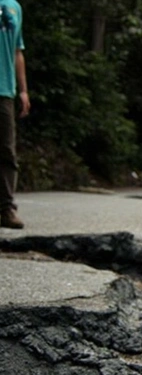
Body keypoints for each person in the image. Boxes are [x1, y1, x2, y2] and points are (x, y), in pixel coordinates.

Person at [0, 0, 29, 229]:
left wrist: (23, 90)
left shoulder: (14, 7)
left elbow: (18, 51)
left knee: (6, 151)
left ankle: (6, 208)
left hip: (4, 90)